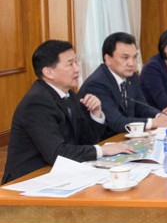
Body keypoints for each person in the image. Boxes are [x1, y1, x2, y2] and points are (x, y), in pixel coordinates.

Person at [2, 40, 134, 184]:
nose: (77, 69)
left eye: (76, 62)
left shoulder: (68, 94)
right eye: (70, 64)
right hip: (28, 180)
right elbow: (57, 153)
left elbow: (86, 141)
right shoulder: (36, 103)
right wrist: (102, 150)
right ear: (48, 72)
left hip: (58, 172)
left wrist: (96, 114)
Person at [78, 32, 167, 138]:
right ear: (108, 59)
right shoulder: (97, 84)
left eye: (134, 57)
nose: (131, 63)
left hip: (125, 137)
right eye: (125, 58)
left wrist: (161, 116)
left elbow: (141, 107)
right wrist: (154, 122)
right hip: (106, 141)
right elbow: (116, 122)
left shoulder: (131, 77)